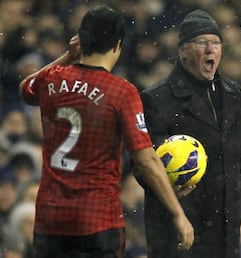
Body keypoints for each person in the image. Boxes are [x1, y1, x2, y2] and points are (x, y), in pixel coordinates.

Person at [19, 5, 194, 258]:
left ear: (80, 40)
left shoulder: (53, 79)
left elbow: (26, 89)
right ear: (117, 45)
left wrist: (67, 57)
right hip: (97, 221)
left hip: (50, 220)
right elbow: (145, 159)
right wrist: (178, 213)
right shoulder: (121, 92)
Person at [140, 9, 241, 258]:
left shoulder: (233, 93)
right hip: (179, 228)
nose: (211, 49)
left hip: (225, 226)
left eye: (216, 43)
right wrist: (174, 192)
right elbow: (143, 164)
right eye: (202, 43)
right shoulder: (156, 99)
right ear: (182, 51)